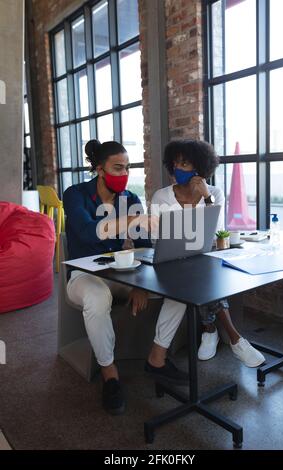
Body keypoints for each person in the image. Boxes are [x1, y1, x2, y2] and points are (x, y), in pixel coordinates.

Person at [63, 139, 188, 416]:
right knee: (97, 297)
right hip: (84, 277)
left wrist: (141, 285)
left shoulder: (130, 199)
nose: (123, 175)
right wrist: (131, 222)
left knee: (182, 289)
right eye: (117, 168)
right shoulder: (74, 194)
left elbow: (145, 246)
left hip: (124, 274)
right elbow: (88, 231)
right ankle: (110, 375)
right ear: (99, 169)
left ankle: (157, 356)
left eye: (127, 168)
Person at [151, 139, 266, 367]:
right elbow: (157, 239)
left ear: (199, 169)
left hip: (204, 258)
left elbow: (216, 234)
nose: (177, 169)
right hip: (171, 262)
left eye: (184, 164)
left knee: (203, 271)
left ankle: (210, 329)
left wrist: (206, 197)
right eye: (175, 163)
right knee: (197, 273)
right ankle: (235, 340)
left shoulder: (214, 193)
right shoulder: (161, 197)